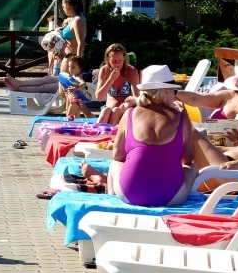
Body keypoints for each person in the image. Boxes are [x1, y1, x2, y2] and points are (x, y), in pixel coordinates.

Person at [83, 65, 198, 207]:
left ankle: (112, 202)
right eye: (174, 92)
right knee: (192, 168)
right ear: (167, 90)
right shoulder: (181, 118)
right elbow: (188, 159)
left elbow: (118, 155)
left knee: (114, 164)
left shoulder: (129, 114)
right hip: (172, 198)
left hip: (129, 193)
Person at [175, 62, 238, 134]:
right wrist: (173, 93)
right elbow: (196, 99)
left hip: (227, 151)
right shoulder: (229, 95)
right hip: (205, 144)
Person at [94, 43, 140, 125]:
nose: (117, 64)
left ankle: (110, 132)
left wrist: (130, 101)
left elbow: (136, 97)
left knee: (116, 111)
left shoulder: (131, 71)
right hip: (109, 108)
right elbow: (99, 97)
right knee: (105, 111)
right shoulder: (104, 71)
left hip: (125, 108)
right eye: (113, 61)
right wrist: (111, 79)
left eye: (120, 60)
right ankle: (97, 132)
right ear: (108, 59)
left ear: (124, 58)